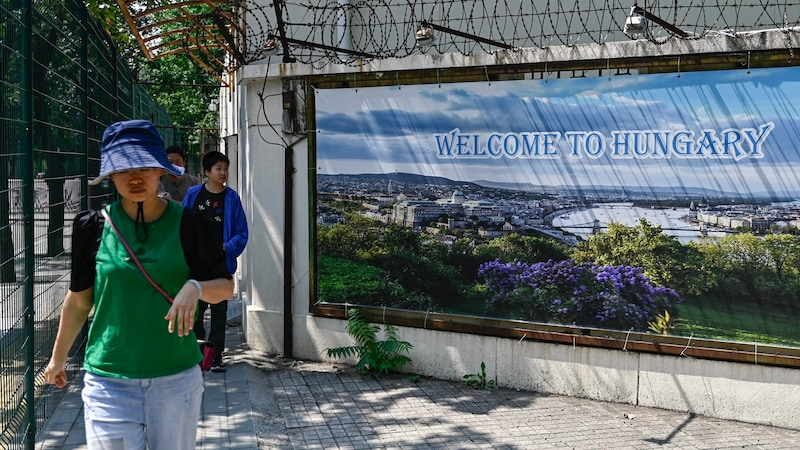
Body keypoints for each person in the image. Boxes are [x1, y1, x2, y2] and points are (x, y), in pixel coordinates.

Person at [44, 120, 234, 449]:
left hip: (176, 381)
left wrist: (196, 288)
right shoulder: (92, 226)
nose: (135, 178)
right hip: (109, 384)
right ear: (110, 175)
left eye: (145, 167)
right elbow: (78, 301)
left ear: (160, 170)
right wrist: (57, 359)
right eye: (123, 169)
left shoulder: (190, 223)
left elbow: (225, 287)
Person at [183, 151, 248, 373]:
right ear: (207, 172)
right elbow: (181, 224)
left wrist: (226, 247)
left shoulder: (232, 198)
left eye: (225, 168)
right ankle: (197, 353)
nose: (223, 173)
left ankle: (217, 355)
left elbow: (241, 233)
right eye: (218, 168)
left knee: (219, 314)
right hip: (195, 266)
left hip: (220, 265)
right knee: (195, 313)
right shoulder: (193, 194)